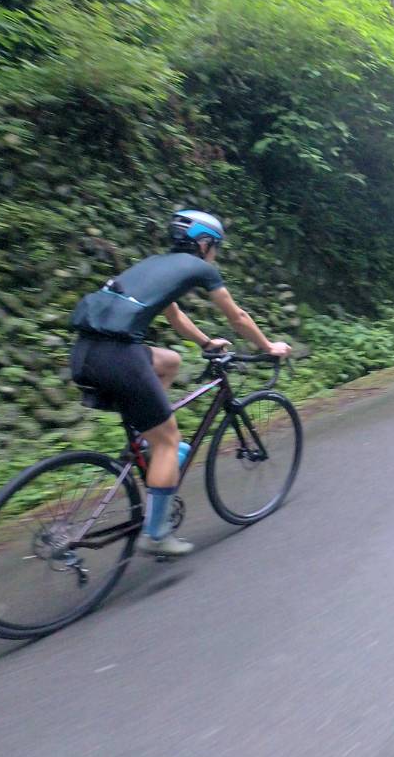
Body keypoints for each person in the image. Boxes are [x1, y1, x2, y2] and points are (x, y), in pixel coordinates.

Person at [68, 209, 292, 556]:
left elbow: (173, 315)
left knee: (170, 361)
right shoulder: (201, 269)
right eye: (216, 246)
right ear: (203, 243)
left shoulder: (154, 264)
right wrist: (268, 347)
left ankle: (147, 442)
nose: (215, 254)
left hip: (85, 354)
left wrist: (205, 342)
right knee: (169, 442)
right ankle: (157, 534)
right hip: (120, 358)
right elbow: (237, 316)